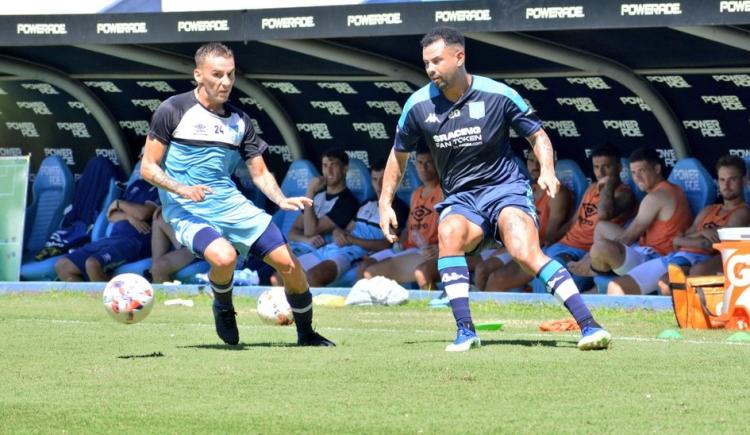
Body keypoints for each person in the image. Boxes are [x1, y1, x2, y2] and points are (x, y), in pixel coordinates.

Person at [378, 26, 611, 352]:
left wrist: (546, 169)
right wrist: (385, 202)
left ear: (459, 57)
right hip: (461, 199)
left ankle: (590, 325)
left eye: (437, 61)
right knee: (449, 232)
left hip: (506, 190)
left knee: (523, 251)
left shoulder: (498, 95)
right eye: (426, 63)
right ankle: (465, 331)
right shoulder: (418, 105)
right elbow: (398, 155)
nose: (430, 69)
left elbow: (538, 136)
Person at [140, 42, 333, 346]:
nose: (226, 82)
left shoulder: (240, 121)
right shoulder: (173, 110)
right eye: (217, 74)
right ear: (198, 75)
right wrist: (181, 189)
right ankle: (223, 306)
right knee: (224, 257)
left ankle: (306, 334)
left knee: (289, 265)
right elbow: (148, 168)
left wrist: (281, 199)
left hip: (231, 205)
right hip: (186, 208)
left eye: (230, 75)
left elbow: (259, 171)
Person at [618, 155, 750, 295]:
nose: (726, 185)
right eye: (722, 180)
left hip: (708, 261)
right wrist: (702, 233)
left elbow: (716, 242)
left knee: (673, 282)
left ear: (744, 181)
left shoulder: (742, 212)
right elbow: (677, 240)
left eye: (732, 179)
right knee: (653, 284)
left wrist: (691, 239)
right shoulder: (709, 209)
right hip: (681, 256)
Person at [568, 148, 693, 289]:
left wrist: (589, 258)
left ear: (657, 169)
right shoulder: (669, 188)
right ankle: (597, 268)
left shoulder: (656, 197)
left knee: (601, 248)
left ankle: (594, 269)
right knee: (602, 227)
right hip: (644, 248)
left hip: (656, 257)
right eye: (633, 172)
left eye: (642, 171)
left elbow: (628, 237)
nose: (637, 177)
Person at [293, 159, 408, 287]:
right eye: (375, 180)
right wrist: (338, 233)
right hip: (333, 247)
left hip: (355, 252)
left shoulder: (398, 208)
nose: (379, 185)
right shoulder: (367, 203)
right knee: (283, 275)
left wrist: (353, 240)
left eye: (383, 180)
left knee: (313, 277)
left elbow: (385, 244)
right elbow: (346, 230)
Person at [474, 151, 575, 291]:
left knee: (492, 277)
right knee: (477, 269)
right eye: (531, 161)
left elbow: (549, 237)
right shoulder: (527, 189)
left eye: (539, 161)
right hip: (515, 243)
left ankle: (484, 308)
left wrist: (512, 244)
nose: (535, 166)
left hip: (533, 247)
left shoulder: (556, 193)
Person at [360, 147, 442, 287]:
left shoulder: (444, 191)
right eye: (420, 163)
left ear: (437, 163)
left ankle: (430, 305)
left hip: (430, 251)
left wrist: (440, 247)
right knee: (367, 271)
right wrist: (399, 244)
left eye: (428, 162)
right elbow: (409, 228)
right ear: (415, 165)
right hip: (411, 248)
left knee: (422, 273)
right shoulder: (416, 194)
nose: (424, 167)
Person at [54, 178, 159, 282]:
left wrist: (119, 203)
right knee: (63, 265)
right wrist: (129, 217)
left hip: (135, 242)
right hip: (113, 239)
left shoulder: (159, 188)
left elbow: (143, 214)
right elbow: (111, 215)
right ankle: (87, 298)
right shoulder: (138, 184)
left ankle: (106, 297)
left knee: (93, 264)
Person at [287, 148, 359, 254]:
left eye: (333, 165)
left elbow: (311, 231)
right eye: (325, 165)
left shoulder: (348, 202)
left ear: (345, 169)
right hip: (301, 249)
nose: (328, 171)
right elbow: (292, 232)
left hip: (322, 254)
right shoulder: (318, 196)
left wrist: (310, 191)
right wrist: (306, 240)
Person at [149, 206, 196, 283]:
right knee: (159, 216)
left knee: (158, 268)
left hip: (203, 242)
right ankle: (156, 278)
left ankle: (157, 278)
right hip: (186, 238)